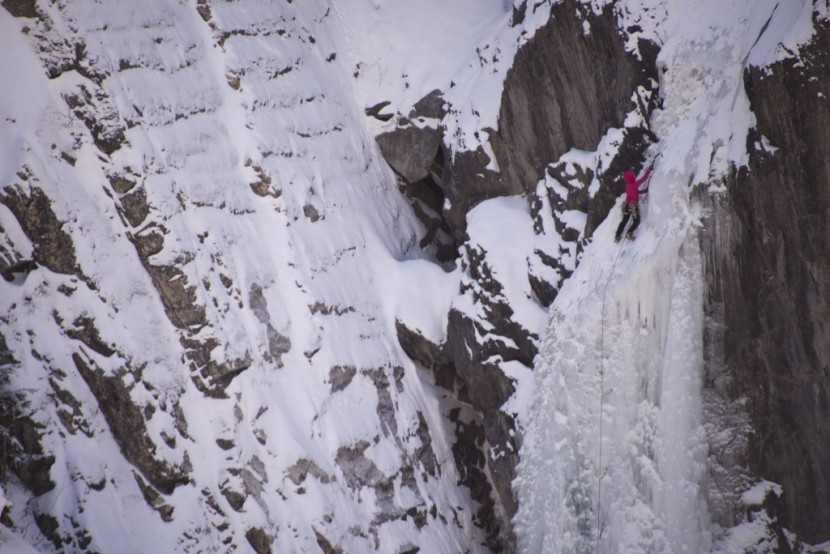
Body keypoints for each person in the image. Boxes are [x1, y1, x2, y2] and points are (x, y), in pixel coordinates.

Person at [614, 166, 652, 242]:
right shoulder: (635, 184)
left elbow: (634, 192)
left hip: (626, 205)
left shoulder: (627, 186)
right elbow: (643, 179)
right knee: (636, 220)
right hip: (633, 206)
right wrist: (649, 170)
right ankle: (629, 233)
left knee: (624, 221)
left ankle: (617, 236)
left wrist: (643, 191)